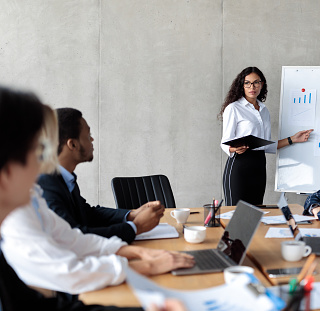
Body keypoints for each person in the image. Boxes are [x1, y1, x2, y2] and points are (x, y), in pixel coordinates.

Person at [1, 104, 195, 295]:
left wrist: (137, 251)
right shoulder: (24, 202)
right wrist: (148, 264)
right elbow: (71, 273)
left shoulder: (32, 195)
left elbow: (72, 238)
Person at [0, 86, 141, 310]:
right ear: (7, 171)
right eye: (36, 151)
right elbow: (67, 271)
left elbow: (70, 238)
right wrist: (136, 265)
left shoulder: (29, 199)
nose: (43, 162)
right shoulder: (35, 196)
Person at [37, 108, 162, 244]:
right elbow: (75, 237)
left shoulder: (64, 177)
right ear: (72, 144)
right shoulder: (45, 184)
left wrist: (131, 215)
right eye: (88, 134)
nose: (92, 139)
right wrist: (136, 227)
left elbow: (88, 214)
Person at [219, 67, 313, 206]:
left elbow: (266, 145)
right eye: (247, 83)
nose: (252, 87)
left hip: (259, 166)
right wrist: (234, 149)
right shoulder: (234, 108)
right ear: (242, 85)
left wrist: (292, 139)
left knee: (255, 214)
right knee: (235, 215)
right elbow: (224, 142)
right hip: (239, 165)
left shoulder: (264, 110)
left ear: (262, 84)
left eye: (256, 82)